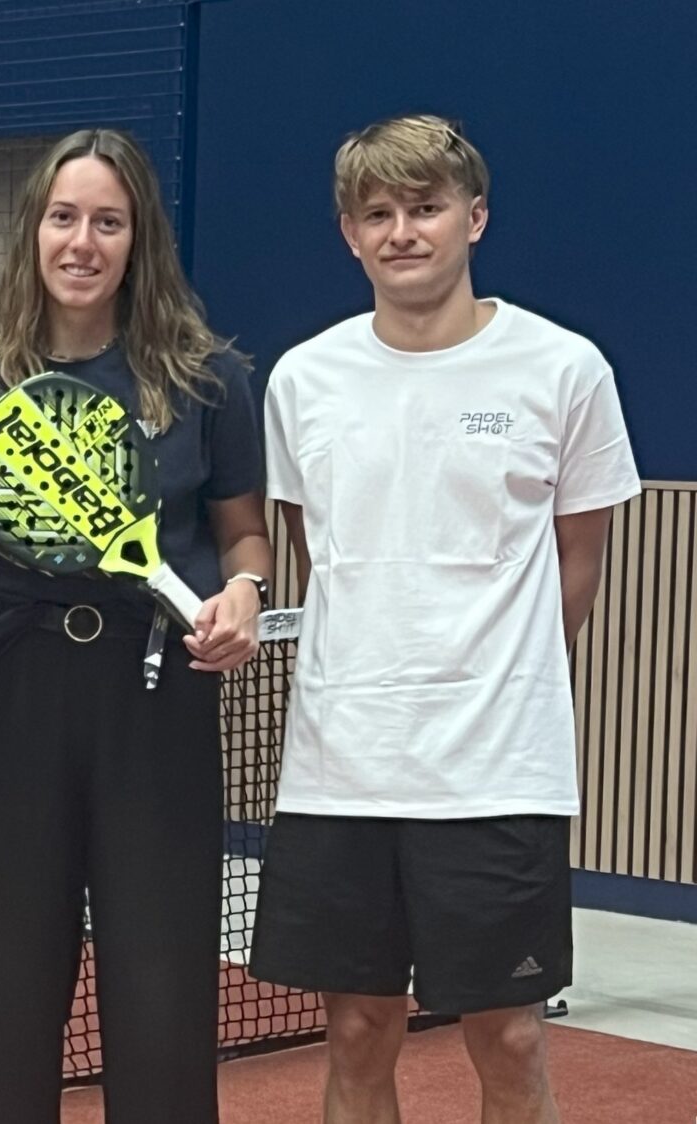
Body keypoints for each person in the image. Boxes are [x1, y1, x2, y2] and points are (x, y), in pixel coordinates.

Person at [251, 114, 638, 1124]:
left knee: (507, 1035)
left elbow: (577, 568)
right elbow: (310, 554)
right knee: (355, 1029)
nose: (401, 231)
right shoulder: (302, 380)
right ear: (347, 232)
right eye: (375, 213)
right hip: (341, 769)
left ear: (473, 215)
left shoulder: (563, 370)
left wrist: (495, 690)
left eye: (422, 208)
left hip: (497, 771)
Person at [0, 127, 272, 1123]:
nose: (82, 241)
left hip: (154, 698)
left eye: (105, 221)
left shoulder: (207, 380)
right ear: (30, 231)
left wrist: (243, 596)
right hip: (11, 696)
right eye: (62, 217)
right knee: (7, 976)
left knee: (161, 980)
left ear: (136, 239)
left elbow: (246, 539)